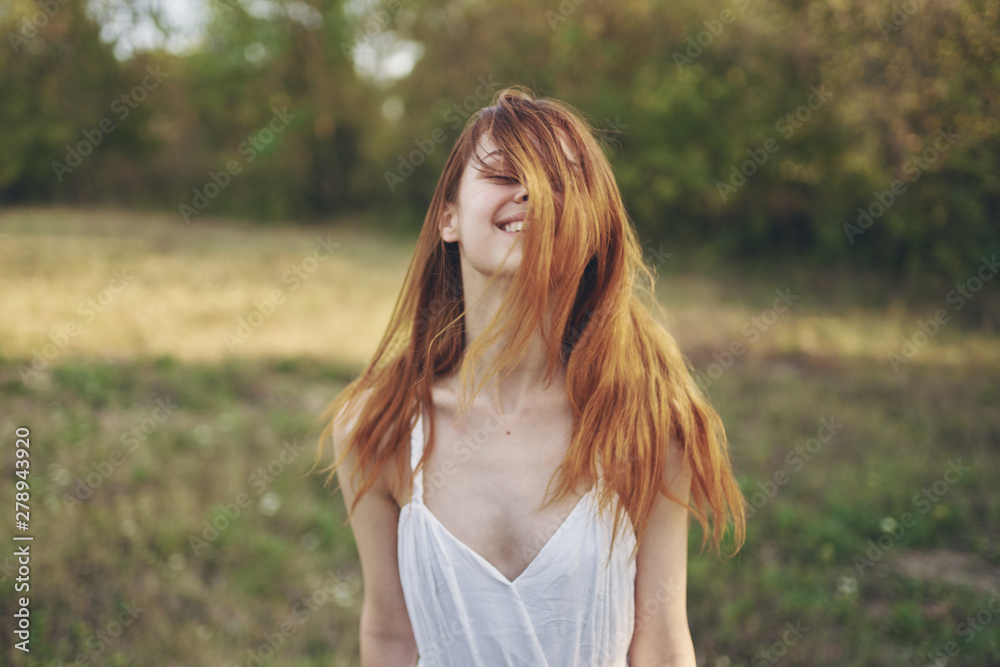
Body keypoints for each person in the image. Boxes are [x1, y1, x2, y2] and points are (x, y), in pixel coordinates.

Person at [315, 86, 746, 667]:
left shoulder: (643, 419)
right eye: (502, 174)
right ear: (448, 218)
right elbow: (391, 636)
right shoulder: (377, 428)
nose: (531, 192)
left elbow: (663, 642)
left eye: (559, 183)